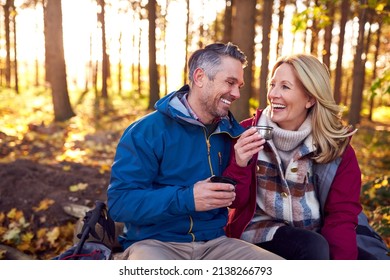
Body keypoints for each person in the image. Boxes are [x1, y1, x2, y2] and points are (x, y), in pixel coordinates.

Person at [107, 42, 283, 260]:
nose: (237, 93)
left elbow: (236, 202)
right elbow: (120, 204)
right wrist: (187, 198)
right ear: (200, 77)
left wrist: (239, 165)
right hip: (154, 244)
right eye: (229, 82)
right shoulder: (146, 131)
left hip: (216, 245)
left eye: (239, 85)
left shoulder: (230, 133)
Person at [223, 53, 372, 260]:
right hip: (259, 231)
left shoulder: (336, 148)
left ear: (310, 98)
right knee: (312, 246)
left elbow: (341, 216)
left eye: (285, 87)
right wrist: (239, 164)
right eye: (272, 84)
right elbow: (234, 203)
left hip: (315, 230)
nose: (273, 94)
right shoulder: (246, 134)